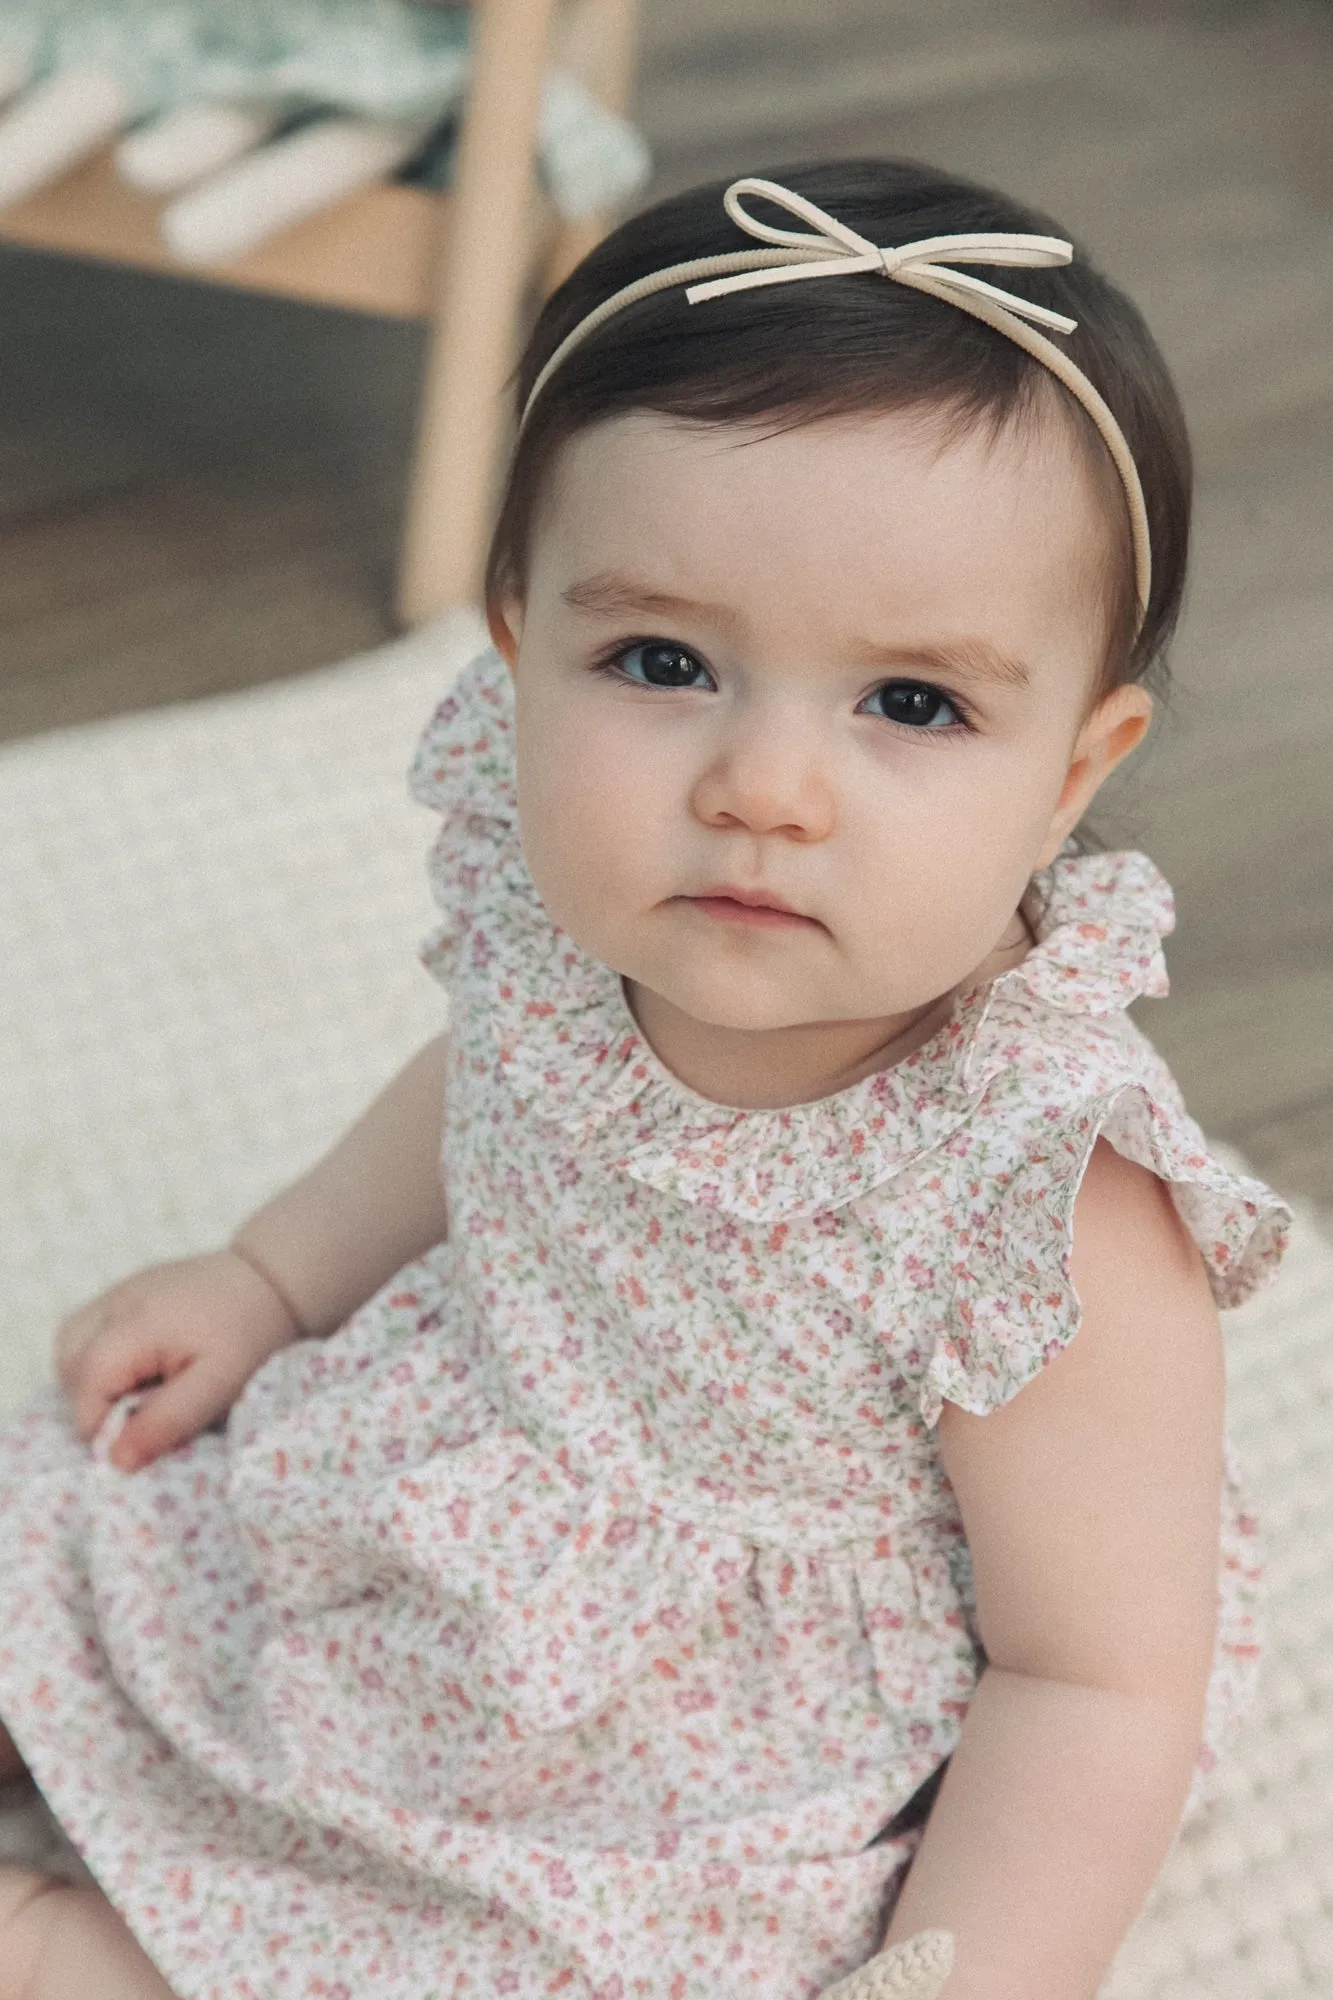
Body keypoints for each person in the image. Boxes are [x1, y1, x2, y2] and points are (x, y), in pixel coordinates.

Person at [0, 158, 1289, 2000]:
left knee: (485, 1957)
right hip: (462, 1463)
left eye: (911, 704)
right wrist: (272, 1279)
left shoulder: (1043, 1202)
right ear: (520, 644)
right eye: (663, 661)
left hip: (691, 1740)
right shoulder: (576, 904)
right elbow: (491, 1097)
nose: (763, 785)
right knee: (94, 1543)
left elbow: (1094, 1680)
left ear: (1078, 769)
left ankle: (82, 1951)